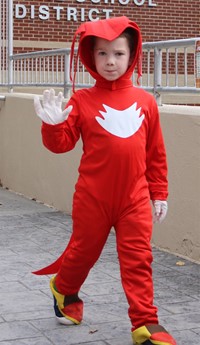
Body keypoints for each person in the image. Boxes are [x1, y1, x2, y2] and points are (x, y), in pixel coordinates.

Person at [33, 16, 176, 345]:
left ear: (132, 55)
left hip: (135, 199)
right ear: (90, 56)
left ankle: (145, 323)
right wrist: (53, 125)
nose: (111, 61)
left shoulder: (146, 102)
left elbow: (156, 153)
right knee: (83, 253)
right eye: (102, 54)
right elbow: (61, 145)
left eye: (119, 53)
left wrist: (160, 193)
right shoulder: (81, 101)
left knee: (138, 258)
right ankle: (64, 288)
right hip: (93, 197)